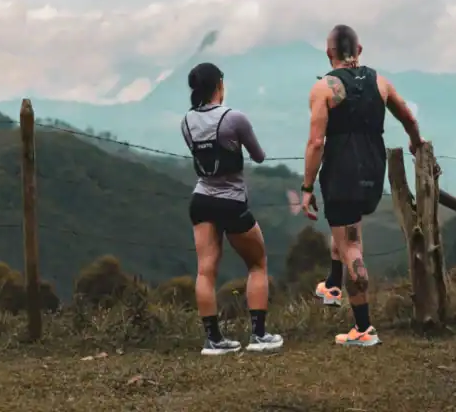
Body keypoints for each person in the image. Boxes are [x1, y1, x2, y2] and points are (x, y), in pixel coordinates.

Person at [300, 25, 424, 347]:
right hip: (373, 171)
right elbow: (409, 119)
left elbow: (316, 142)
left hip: (341, 173)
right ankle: (332, 285)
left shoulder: (323, 88)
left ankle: (364, 328)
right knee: (347, 228)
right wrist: (415, 143)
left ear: (329, 53)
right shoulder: (380, 82)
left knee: (351, 246)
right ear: (359, 50)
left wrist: (307, 187)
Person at [181, 62, 284, 355]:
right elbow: (258, 156)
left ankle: (213, 340)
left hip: (201, 199)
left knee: (205, 271)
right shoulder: (233, 118)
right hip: (232, 201)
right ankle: (259, 335)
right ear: (219, 86)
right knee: (257, 263)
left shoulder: (186, 121)